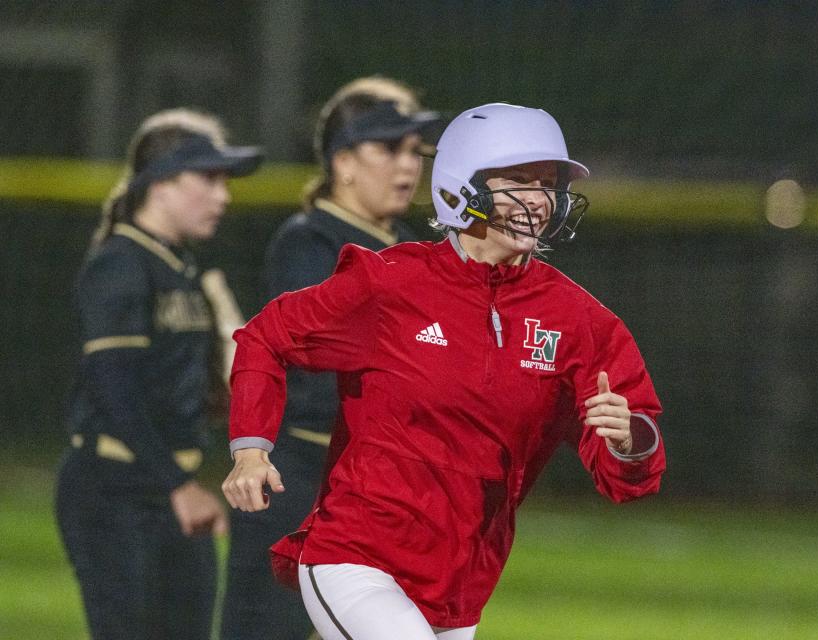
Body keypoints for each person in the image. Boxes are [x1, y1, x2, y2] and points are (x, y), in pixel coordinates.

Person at [222, 103, 665, 640]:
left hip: (462, 582)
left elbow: (632, 469)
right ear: (462, 183)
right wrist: (250, 446)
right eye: (518, 180)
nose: (537, 198)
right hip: (356, 554)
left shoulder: (580, 320)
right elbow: (266, 338)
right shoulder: (390, 283)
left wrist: (630, 439)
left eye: (547, 183)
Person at [220, 76, 442, 640]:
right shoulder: (309, 243)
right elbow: (322, 375)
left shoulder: (409, 244)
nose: (408, 164)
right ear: (343, 161)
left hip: (382, 490)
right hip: (303, 480)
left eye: (414, 150)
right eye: (389, 148)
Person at [55, 108, 262, 640]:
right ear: (162, 182)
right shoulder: (121, 262)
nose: (224, 196)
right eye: (209, 178)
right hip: (115, 491)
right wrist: (178, 486)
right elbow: (114, 390)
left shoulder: (182, 267)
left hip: (170, 489)